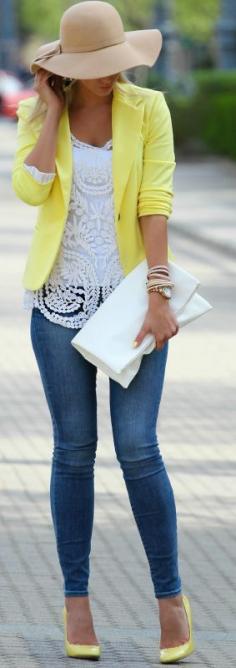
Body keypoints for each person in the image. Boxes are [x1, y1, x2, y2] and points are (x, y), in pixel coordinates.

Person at [12, 1, 196, 662]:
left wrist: (156, 296)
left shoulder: (148, 110)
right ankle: (77, 604)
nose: (109, 78)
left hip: (128, 309)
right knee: (72, 453)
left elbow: (155, 202)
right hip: (58, 308)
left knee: (140, 449)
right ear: (68, 69)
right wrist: (52, 110)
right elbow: (30, 192)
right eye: (95, 69)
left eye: (115, 65)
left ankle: (171, 602)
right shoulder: (46, 114)